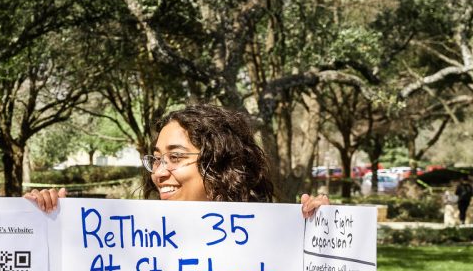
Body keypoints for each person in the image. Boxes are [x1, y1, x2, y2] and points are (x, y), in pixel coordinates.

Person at [27, 104, 328, 216]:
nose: (158, 173)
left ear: (221, 163)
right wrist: (42, 220)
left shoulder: (275, 243)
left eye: (175, 157)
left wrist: (321, 234)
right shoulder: (127, 245)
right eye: (156, 159)